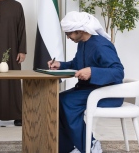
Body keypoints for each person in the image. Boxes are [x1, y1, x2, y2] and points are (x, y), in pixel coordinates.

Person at [48, 11, 124, 153]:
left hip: (107, 94)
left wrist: (92, 72)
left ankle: (90, 145)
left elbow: (118, 72)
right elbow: (77, 64)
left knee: (67, 102)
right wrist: (60, 65)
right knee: (58, 100)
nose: (68, 37)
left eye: (69, 33)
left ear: (80, 30)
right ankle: (69, 147)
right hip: (90, 90)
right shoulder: (83, 43)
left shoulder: (101, 45)